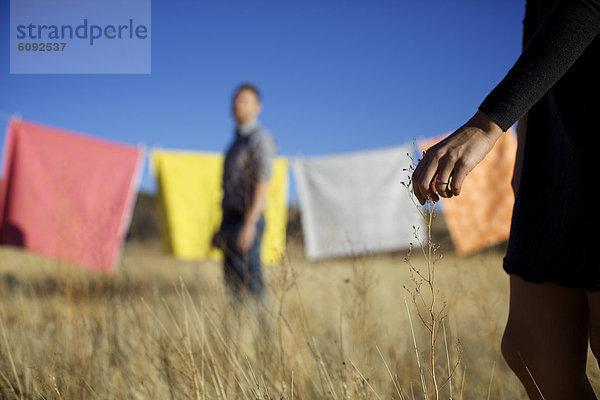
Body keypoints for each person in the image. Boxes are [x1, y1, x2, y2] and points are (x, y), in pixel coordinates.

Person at [411, 1, 600, 398]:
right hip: (552, 149)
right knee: (530, 350)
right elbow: (537, 36)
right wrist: (524, 159)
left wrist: (486, 124)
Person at [213, 83, 276, 303]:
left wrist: (250, 223)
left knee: (251, 282)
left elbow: (262, 183)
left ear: (258, 107)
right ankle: (240, 335)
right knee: (232, 284)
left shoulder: (259, 138)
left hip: (246, 218)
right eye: (236, 100)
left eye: (244, 101)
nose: (238, 105)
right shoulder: (234, 144)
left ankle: (263, 336)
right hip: (229, 219)